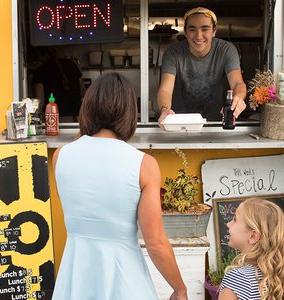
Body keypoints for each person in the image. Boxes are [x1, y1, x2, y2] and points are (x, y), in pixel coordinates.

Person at [52, 72, 188, 300]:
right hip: (125, 280)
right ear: (129, 112)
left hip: (75, 280)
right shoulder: (144, 165)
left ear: (88, 107)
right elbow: (155, 243)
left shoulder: (60, 156)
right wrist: (180, 289)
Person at [157, 6, 247, 124]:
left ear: (214, 31)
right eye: (192, 29)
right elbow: (165, 90)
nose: (199, 36)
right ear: (185, 31)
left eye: (205, 29)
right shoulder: (173, 53)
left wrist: (238, 98)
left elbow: (237, 84)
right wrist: (165, 110)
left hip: (215, 124)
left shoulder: (226, 50)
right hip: (179, 123)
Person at [219, 198, 284, 300]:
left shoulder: (237, 278)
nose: (228, 224)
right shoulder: (274, 276)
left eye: (235, 219)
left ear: (253, 236)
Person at [33, 47, 83, 122]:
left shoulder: (39, 71)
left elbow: (40, 103)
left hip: (55, 121)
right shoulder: (72, 65)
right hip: (79, 119)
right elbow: (82, 91)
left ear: (40, 55)